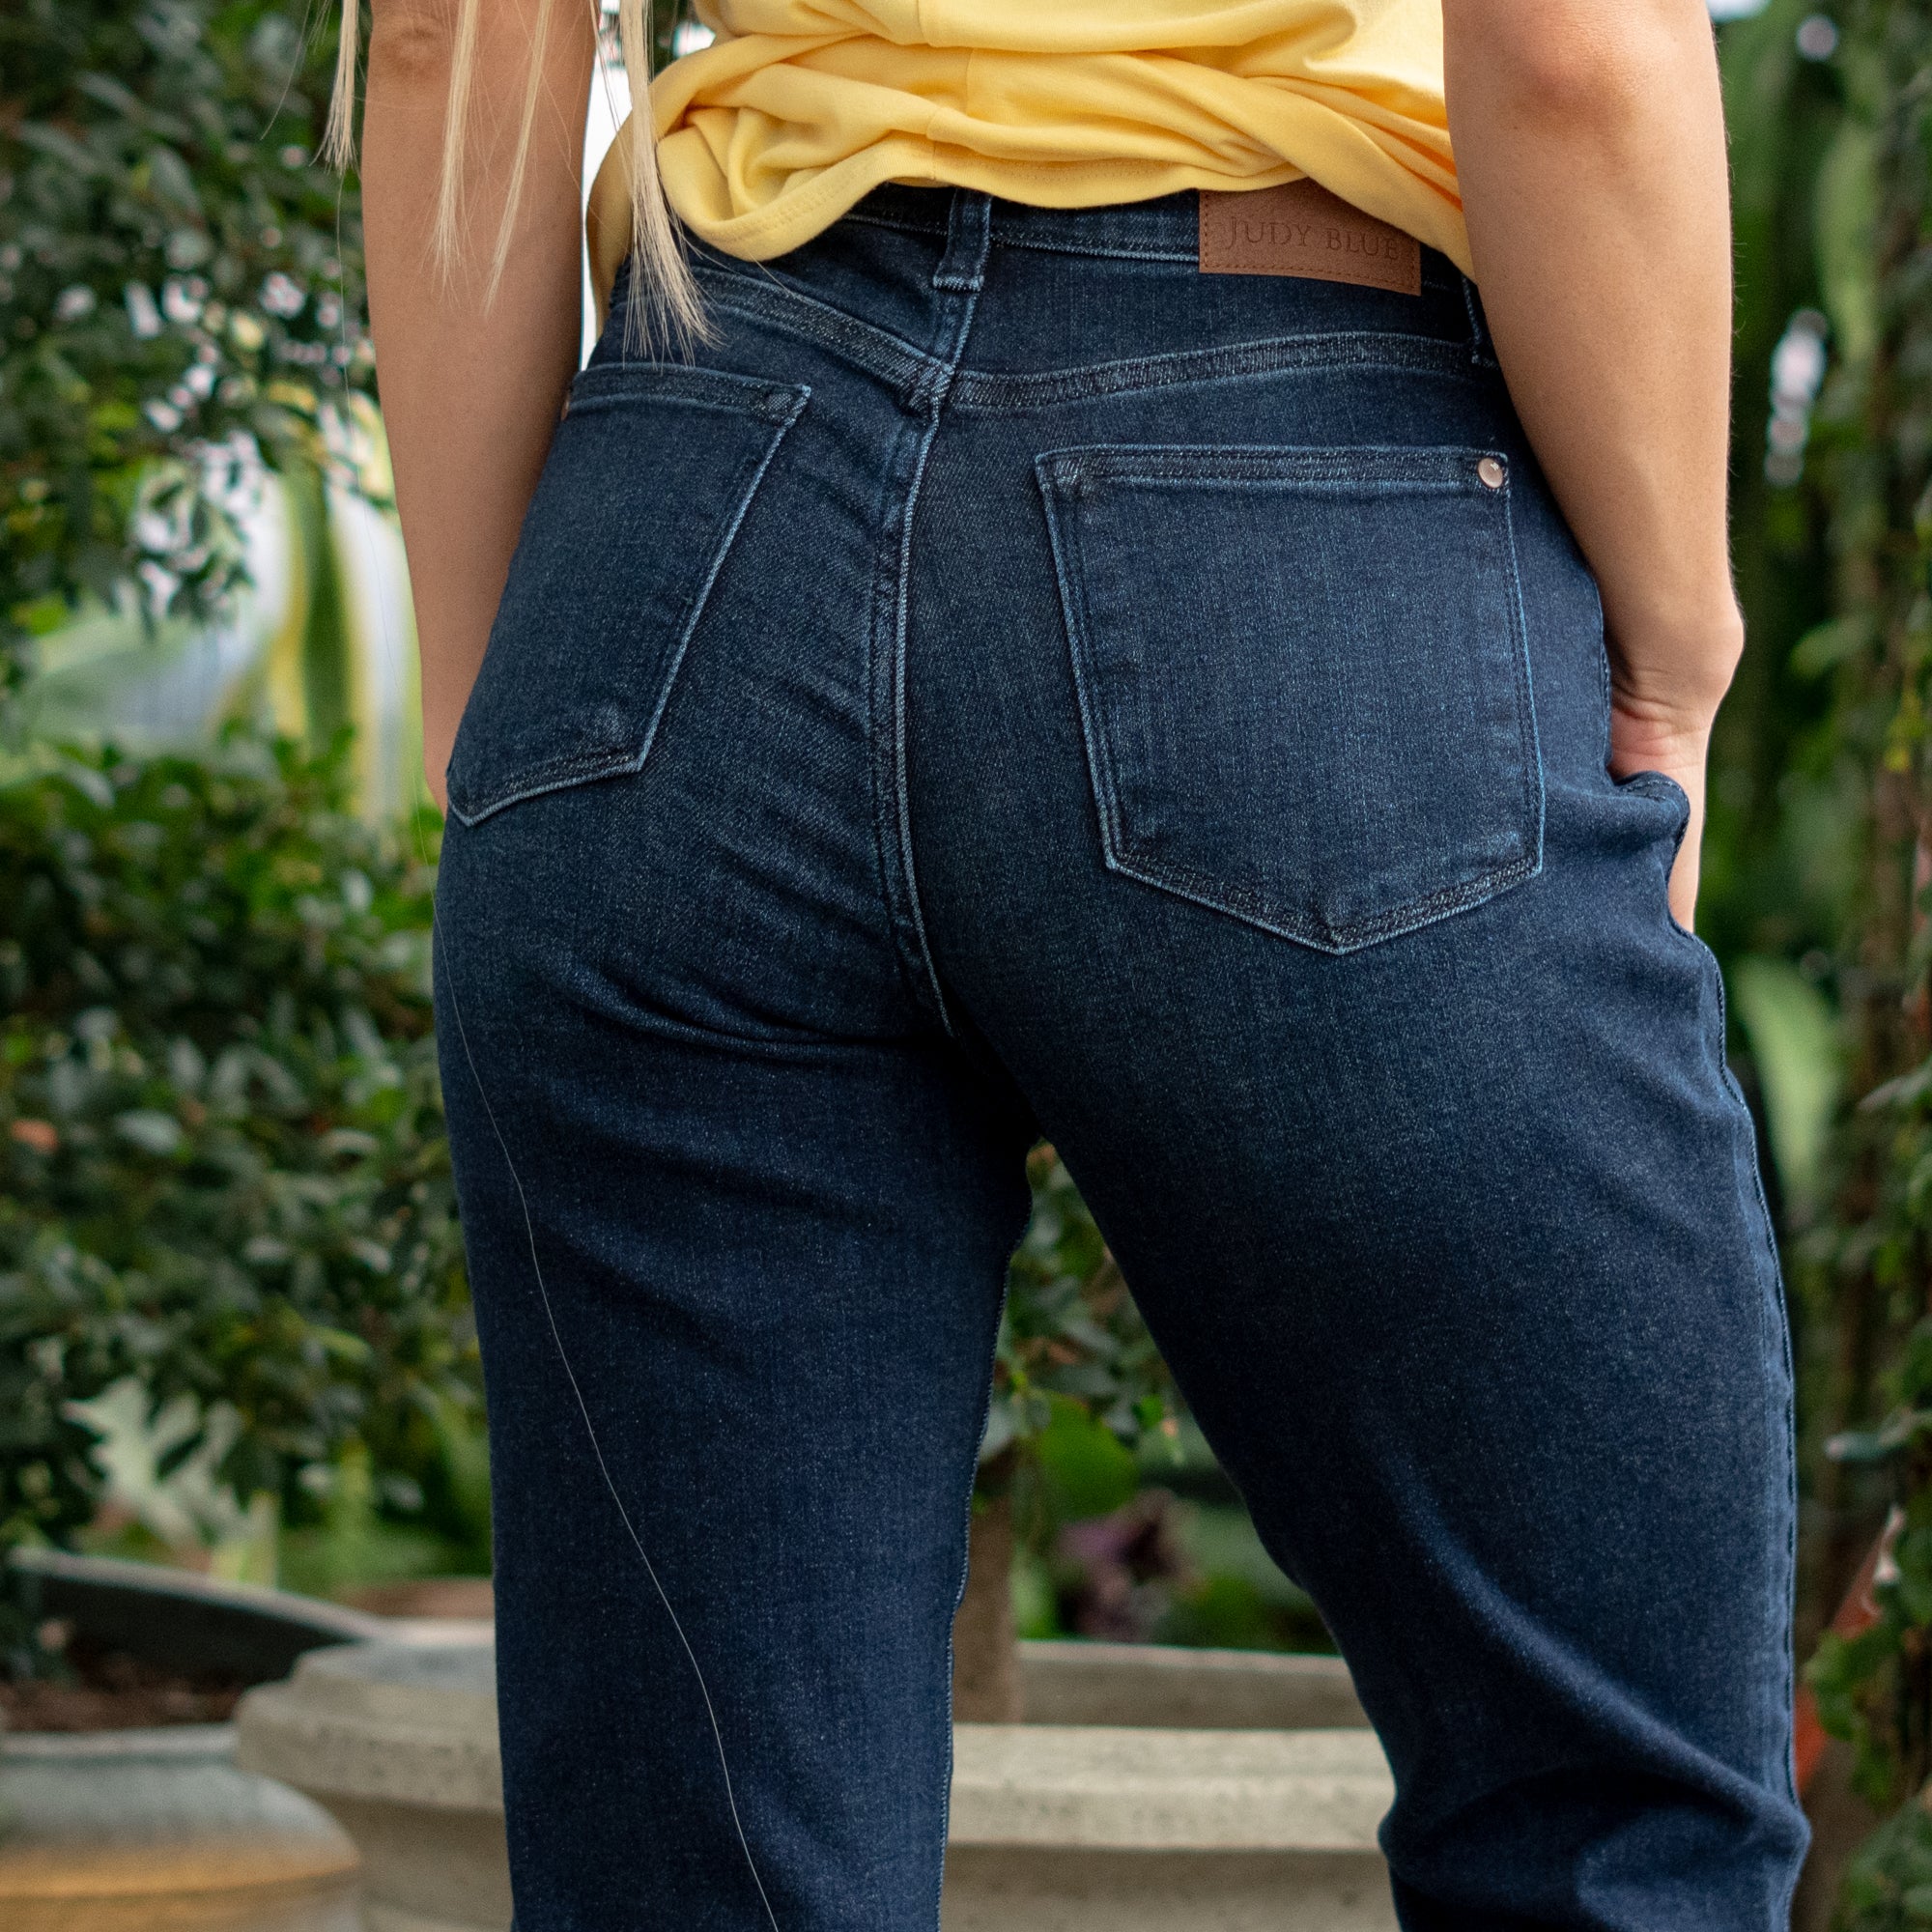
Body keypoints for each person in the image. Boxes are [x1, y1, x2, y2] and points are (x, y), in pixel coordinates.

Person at [351, 0, 1808, 1922]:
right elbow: (1567, 54)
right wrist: (1679, 651)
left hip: (690, 516)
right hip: (1305, 503)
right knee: (1613, 1822)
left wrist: (504, 714)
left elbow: (447, 41)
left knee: (699, 1870)